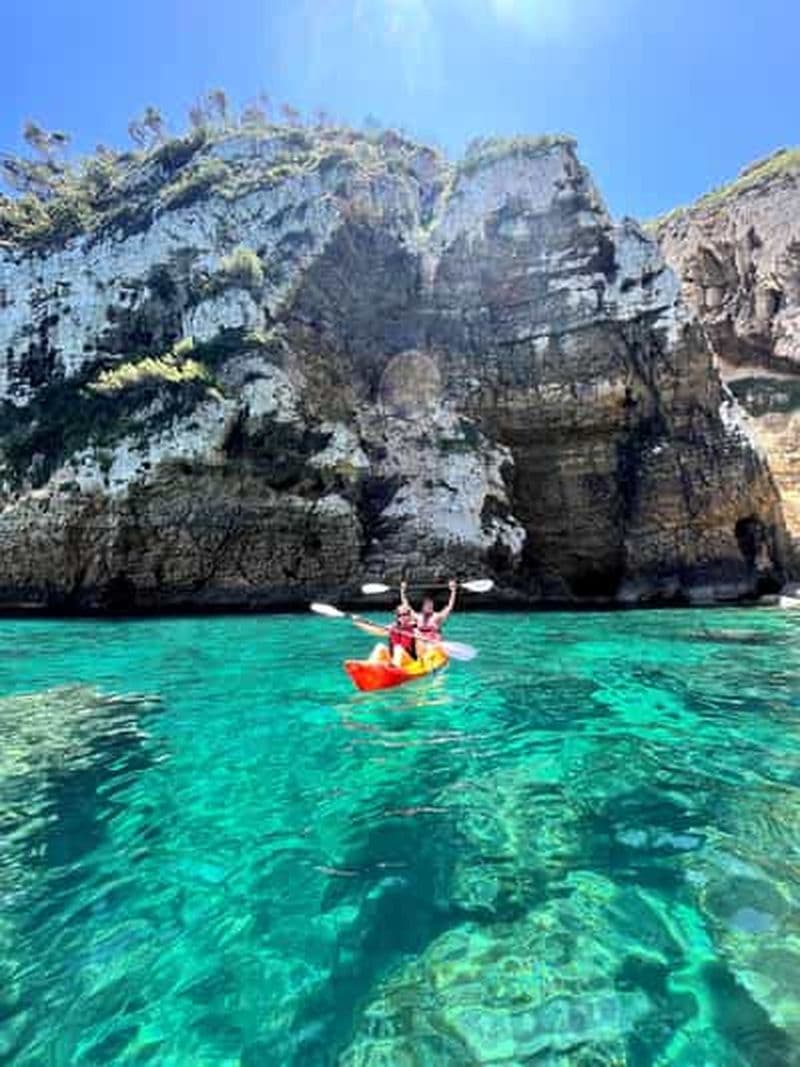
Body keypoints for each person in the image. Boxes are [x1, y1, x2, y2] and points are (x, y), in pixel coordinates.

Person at [401, 578, 457, 658]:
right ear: (423, 608)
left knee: (429, 647)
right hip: (421, 644)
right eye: (427, 606)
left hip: (433, 645)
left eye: (431, 606)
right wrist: (402, 591)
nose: (429, 607)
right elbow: (406, 605)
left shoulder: (437, 617)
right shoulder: (418, 617)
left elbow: (450, 606)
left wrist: (453, 590)